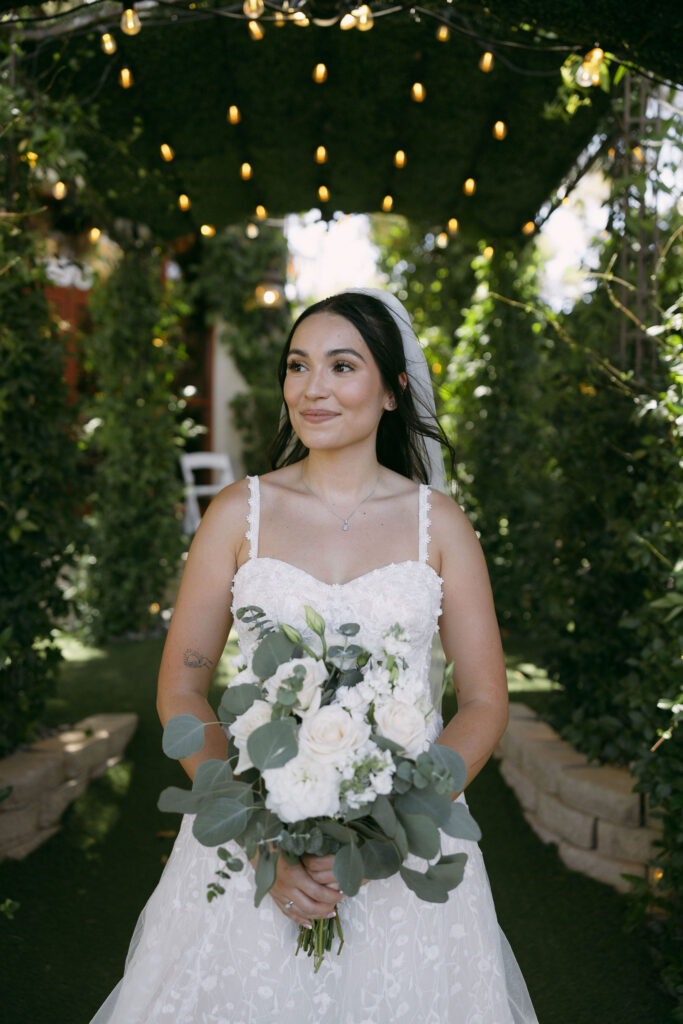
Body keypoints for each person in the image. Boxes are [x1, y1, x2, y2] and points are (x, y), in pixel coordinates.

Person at [90, 289, 539, 1023]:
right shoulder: (237, 513)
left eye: (341, 365)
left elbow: (484, 700)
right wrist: (251, 830)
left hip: (407, 855)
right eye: (297, 366)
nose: (312, 387)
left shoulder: (441, 526)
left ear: (393, 391)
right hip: (251, 842)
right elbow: (183, 688)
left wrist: (399, 823)